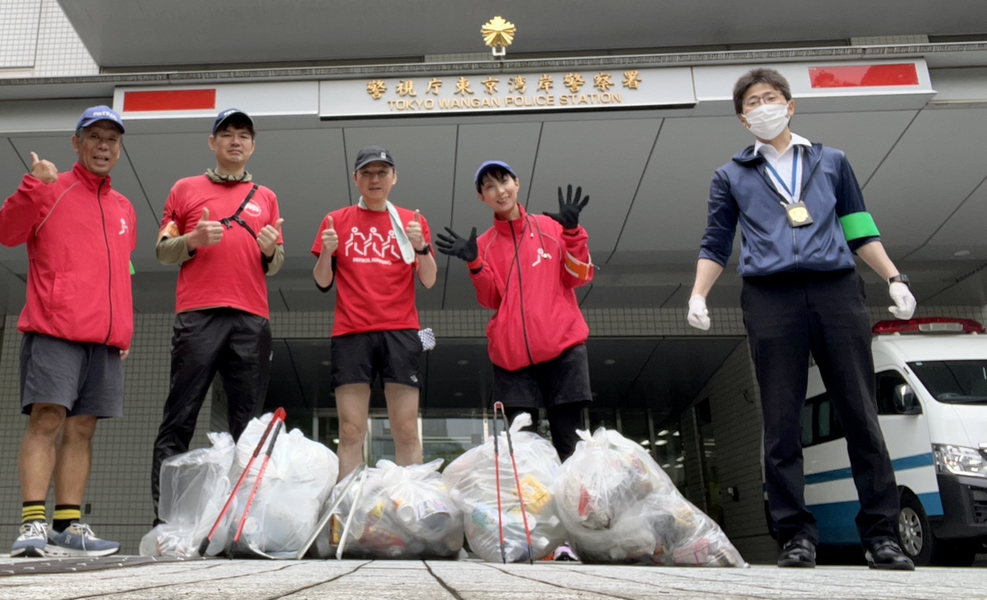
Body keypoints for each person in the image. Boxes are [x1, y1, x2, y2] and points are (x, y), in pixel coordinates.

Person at [688, 68, 916, 570]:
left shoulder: (831, 162)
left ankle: (882, 535)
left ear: (790, 106)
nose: (763, 106)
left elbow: (858, 226)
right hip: (770, 298)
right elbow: (716, 241)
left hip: (837, 291)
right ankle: (795, 536)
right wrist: (698, 294)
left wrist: (894, 278)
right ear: (742, 118)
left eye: (771, 98)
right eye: (753, 102)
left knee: (860, 412)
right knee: (781, 421)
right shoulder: (731, 176)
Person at [1, 106, 135, 557]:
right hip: (55, 330)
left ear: (119, 149)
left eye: (112, 139)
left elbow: (120, 269)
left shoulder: (124, 208)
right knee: (47, 421)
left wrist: (123, 332)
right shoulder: (49, 188)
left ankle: (68, 524)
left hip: (104, 339)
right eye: (94, 136)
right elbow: (7, 231)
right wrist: (33, 185)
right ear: (76, 143)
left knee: (83, 429)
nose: (104, 146)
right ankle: (33, 524)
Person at [151, 109, 284, 519]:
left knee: (249, 422)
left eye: (244, 135)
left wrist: (268, 250)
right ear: (212, 143)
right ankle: (165, 517)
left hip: (251, 317)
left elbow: (275, 262)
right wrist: (193, 238)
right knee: (181, 414)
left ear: (253, 146)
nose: (235, 141)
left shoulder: (266, 196)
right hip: (198, 314)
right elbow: (161, 249)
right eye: (226, 134)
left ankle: (245, 519)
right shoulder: (184, 189)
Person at [436, 161, 594, 462]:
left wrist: (572, 232)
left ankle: (577, 508)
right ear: (482, 198)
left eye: (503, 181)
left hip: (563, 349)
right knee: (523, 454)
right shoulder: (483, 244)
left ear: (517, 184)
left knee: (571, 444)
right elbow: (491, 299)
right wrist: (474, 263)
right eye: (489, 187)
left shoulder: (552, 227)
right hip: (512, 359)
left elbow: (580, 276)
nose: (499, 191)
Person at [312, 146, 436, 481]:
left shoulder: (411, 220)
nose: (374, 179)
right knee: (351, 430)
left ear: (394, 178)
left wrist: (421, 246)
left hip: (401, 331)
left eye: (382, 172)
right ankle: (346, 513)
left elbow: (429, 278)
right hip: (351, 332)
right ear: (356, 179)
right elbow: (323, 281)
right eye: (367, 172)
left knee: (407, 430)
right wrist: (327, 251)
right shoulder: (335, 220)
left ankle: (411, 515)